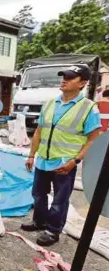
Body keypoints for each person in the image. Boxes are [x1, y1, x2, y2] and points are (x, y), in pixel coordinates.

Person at [22, 65, 101, 246]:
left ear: (82, 83)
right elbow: (38, 132)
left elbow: (93, 140)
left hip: (65, 163)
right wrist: (32, 155)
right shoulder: (50, 103)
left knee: (59, 200)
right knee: (38, 195)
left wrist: (75, 161)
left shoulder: (88, 108)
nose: (64, 80)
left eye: (70, 77)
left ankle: (52, 230)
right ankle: (39, 221)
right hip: (43, 160)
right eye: (63, 76)